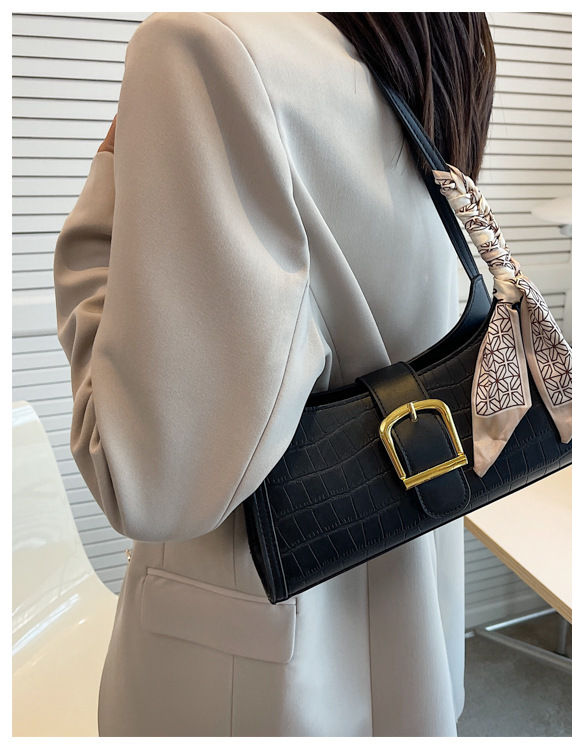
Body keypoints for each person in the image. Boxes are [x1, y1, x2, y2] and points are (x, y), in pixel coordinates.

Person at [53, 12, 495, 737]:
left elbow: (146, 483)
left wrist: (108, 179)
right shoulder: (432, 50)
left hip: (253, 674)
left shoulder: (202, 47)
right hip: (415, 626)